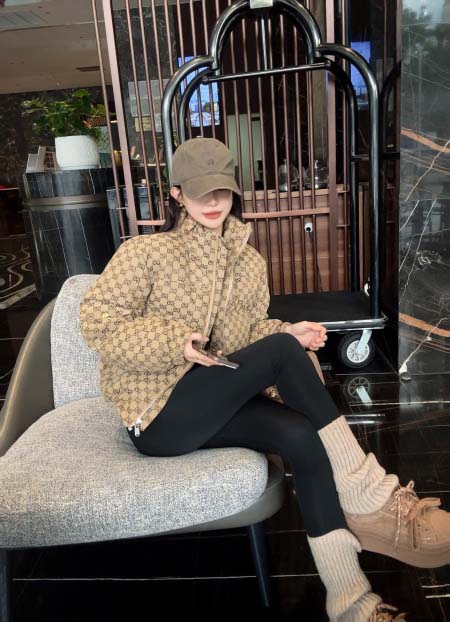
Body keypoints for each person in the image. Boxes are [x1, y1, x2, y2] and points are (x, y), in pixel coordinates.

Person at [79, 138, 450, 622]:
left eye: (222, 190)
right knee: (280, 353)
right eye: (200, 191)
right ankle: (368, 493)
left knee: (301, 436)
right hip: (158, 415)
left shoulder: (248, 262)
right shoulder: (145, 253)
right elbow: (98, 322)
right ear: (176, 194)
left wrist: (285, 331)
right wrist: (176, 342)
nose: (214, 201)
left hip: (216, 397)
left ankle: (351, 603)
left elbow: (250, 332)